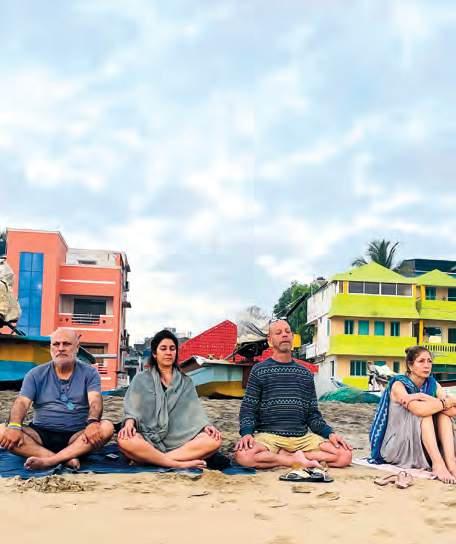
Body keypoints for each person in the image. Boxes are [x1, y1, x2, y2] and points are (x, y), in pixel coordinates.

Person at [234, 319, 352, 469]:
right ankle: (293, 460)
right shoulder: (259, 370)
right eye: (278, 333)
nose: (284, 335)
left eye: (287, 332)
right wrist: (247, 433)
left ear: (292, 337)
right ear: (270, 341)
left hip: (302, 439)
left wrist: (330, 434)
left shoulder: (305, 374)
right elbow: (248, 408)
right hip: (269, 437)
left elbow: (312, 414)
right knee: (243, 456)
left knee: (345, 455)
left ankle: (286, 457)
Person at [0, 328, 114, 470]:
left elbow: (95, 400)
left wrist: (92, 423)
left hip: (77, 435)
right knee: (2, 431)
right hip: (39, 435)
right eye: (56, 344)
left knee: (106, 427)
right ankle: (64, 459)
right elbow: (22, 402)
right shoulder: (35, 374)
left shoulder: (89, 373)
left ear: (77, 348)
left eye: (66, 344)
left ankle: (50, 461)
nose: (60, 348)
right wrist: (14, 426)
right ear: (51, 348)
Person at [117, 329, 222, 469]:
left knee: (213, 441)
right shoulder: (140, 379)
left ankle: (154, 459)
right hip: (148, 439)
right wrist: (129, 423)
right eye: (163, 348)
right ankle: (177, 463)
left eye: (172, 349)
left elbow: (195, 412)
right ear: (154, 353)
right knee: (125, 440)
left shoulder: (186, 382)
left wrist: (206, 425)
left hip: (180, 442)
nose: (168, 352)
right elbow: (132, 409)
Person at [370, 345, 456, 484]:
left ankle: (451, 463)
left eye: (429, 361)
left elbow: (452, 411)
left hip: (423, 442)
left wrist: (423, 397)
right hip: (396, 446)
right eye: (421, 361)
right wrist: (446, 402)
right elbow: (420, 411)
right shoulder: (399, 385)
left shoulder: (433, 384)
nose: (427, 365)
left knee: (443, 415)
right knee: (426, 414)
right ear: (410, 366)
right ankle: (438, 464)